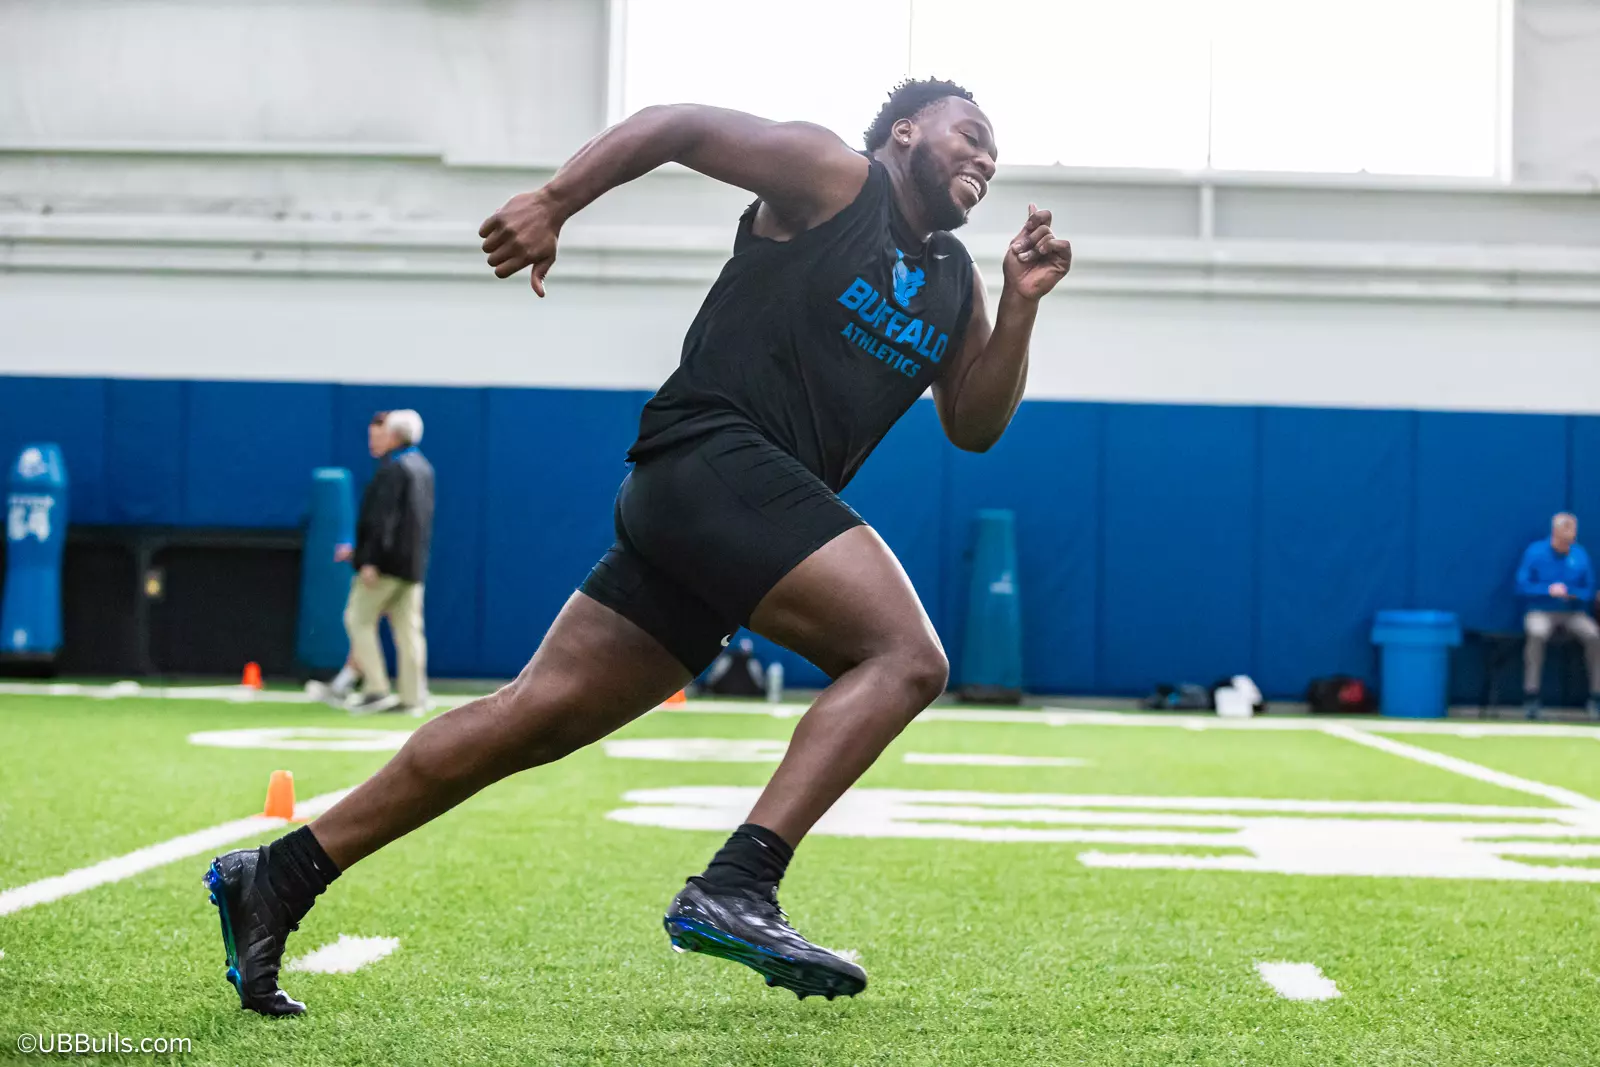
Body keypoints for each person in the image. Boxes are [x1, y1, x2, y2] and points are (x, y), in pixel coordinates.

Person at [203, 78, 1071, 1015]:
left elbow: (974, 425)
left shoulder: (954, 281)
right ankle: (741, 881)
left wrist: (1021, 302)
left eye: (995, 151)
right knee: (906, 656)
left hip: (727, 522)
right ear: (906, 132)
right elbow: (678, 125)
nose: (984, 157)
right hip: (710, 459)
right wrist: (552, 201)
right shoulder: (833, 177)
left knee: (528, 717)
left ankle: (281, 876)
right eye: (969, 135)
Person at [339, 409, 434, 716]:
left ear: (393, 435)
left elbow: (383, 521)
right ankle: (412, 697)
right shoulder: (423, 468)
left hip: (388, 565)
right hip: (413, 565)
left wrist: (369, 560)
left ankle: (376, 688)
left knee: (358, 618)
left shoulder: (393, 470)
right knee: (409, 631)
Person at [1515, 512, 1600, 720]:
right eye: (1563, 539)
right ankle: (1531, 696)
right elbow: (1521, 586)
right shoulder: (1535, 552)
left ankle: (1596, 697)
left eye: (1570, 539)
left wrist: (1572, 593)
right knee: (1537, 633)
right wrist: (1547, 590)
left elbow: (1589, 591)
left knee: (1593, 635)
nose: (1567, 543)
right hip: (1540, 610)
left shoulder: (1579, 555)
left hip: (1573, 612)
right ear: (1554, 533)